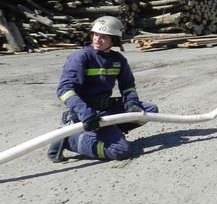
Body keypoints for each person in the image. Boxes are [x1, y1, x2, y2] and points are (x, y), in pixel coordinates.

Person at [47, 16, 159, 162]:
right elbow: (65, 90)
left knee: (149, 111)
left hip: (107, 111)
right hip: (88, 114)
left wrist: (131, 103)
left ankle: (111, 133)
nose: (97, 39)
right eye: (95, 34)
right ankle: (70, 139)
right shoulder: (81, 57)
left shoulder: (118, 60)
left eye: (103, 37)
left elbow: (128, 86)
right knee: (121, 151)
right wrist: (84, 113)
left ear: (114, 40)